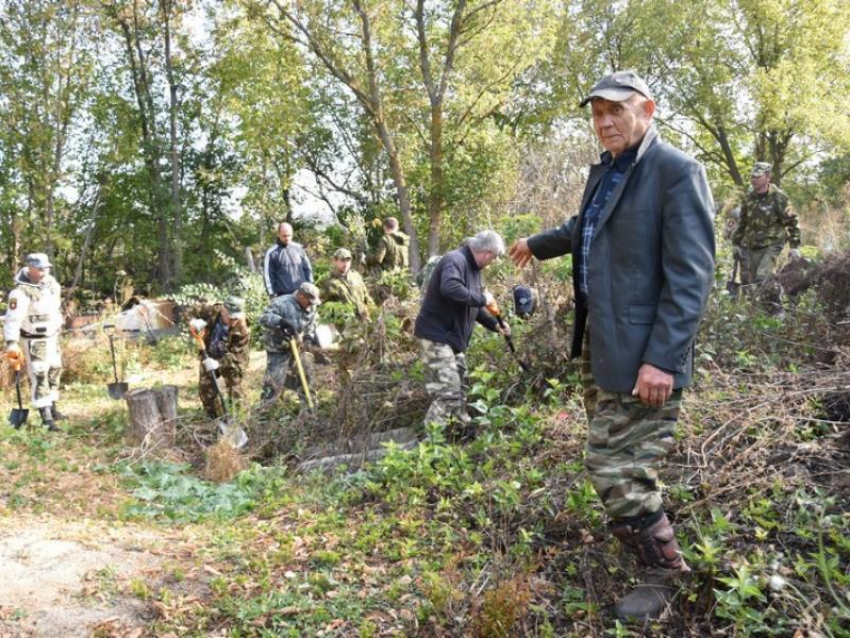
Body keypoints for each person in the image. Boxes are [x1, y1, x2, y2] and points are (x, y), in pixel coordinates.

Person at [509, 70, 715, 620]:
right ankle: (652, 539)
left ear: (646, 109)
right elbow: (588, 227)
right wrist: (536, 242)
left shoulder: (675, 172)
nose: (604, 122)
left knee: (611, 463)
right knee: (626, 462)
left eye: (615, 111)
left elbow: (691, 277)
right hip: (601, 346)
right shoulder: (606, 172)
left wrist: (662, 360)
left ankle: (667, 578)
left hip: (644, 355)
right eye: (597, 113)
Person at [414, 230, 509, 440]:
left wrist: (495, 325)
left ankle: (459, 433)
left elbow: (472, 306)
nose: (492, 262)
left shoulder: (475, 271)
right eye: (493, 258)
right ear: (486, 252)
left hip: (452, 341)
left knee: (461, 388)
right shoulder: (455, 260)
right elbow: (450, 288)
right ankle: (428, 448)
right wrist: (482, 298)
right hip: (435, 336)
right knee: (447, 391)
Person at [3, 253, 65, 431]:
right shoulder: (20, 292)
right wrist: (12, 343)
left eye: (46, 268)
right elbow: (12, 320)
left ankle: (52, 407)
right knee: (39, 374)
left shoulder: (51, 284)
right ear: (30, 268)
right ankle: (45, 417)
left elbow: (55, 307)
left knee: (55, 369)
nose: (44, 271)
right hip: (34, 341)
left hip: (52, 337)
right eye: (39, 268)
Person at [732, 162, 800, 292]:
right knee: (751, 284)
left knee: (763, 277)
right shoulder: (749, 198)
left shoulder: (779, 197)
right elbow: (742, 222)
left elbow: (792, 220)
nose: (753, 180)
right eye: (752, 176)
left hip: (773, 245)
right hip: (754, 246)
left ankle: (776, 307)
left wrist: (794, 246)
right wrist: (736, 243)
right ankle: (762, 308)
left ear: (767, 178)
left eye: (757, 177)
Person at [258, 282, 321, 404]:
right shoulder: (281, 303)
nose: (311, 305)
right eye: (309, 301)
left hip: (297, 347)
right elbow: (263, 318)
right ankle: (264, 413)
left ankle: (310, 409)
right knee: (273, 382)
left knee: (307, 375)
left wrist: (308, 337)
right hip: (278, 349)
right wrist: (280, 321)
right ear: (301, 297)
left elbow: (312, 324)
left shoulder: (311, 306)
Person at [195, 297, 250, 418]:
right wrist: (194, 324)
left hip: (230, 360)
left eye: (236, 317)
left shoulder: (242, 328)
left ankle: (240, 420)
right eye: (231, 317)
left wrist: (218, 364)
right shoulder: (212, 310)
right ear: (223, 311)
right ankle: (214, 418)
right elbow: (194, 311)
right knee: (205, 389)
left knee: (235, 391)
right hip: (209, 353)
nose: (233, 321)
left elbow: (238, 361)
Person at [262, 222, 313, 298]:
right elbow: (268, 276)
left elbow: (307, 269)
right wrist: (272, 295)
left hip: (302, 295)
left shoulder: (299, 249)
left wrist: (310, 287)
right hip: (283, 296)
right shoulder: (272, 253)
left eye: (289, 235)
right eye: (284, 236)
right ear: (278, 235)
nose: (287, 238)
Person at [320, 248, 374, 318]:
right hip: (344, 322)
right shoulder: (329, 283)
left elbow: (366, 296)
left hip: (363, 320)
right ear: (335, 261)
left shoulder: (356, 276)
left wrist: (373, 311)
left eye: (348, 260)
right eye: (342, 260)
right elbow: (323, 307)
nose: (345, 264)